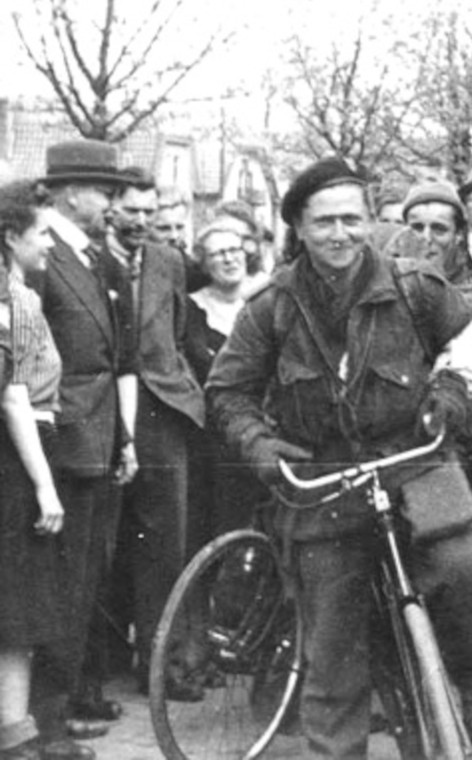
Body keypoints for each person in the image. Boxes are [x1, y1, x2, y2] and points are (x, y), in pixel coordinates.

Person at [206, 158, 472, 758]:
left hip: (415, 459)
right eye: (324, 222)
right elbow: (228, 392)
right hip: (326, 479)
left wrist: (450, 389)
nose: (340, 234)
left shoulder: (413, 286)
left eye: (352, 219)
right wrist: (262, 447)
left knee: (461, 567)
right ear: (298, 226)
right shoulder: (271, 307)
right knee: (334, 648)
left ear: (371, 222)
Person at [26, 141, 138, 748]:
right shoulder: (43, 257)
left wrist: (122, 437)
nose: (114, 204)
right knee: (60, 586)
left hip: (94, 439)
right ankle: (43, 726)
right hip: (60, 442)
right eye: (105, 192)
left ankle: (57, 715)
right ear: (71, 193)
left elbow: (111, 356)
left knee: (85, 581)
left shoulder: (91, 256)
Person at [99, 169, 205, 697]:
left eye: (149, 211)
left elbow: (178, 332)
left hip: (163, 410)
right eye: (131, 210)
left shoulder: (168, 262)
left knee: (166, 543)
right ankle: (100, 665)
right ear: (109, 208)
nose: (141, 221)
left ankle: (161, 667)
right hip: (102, 409)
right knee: (104, 540)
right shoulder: (92, 258)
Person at [0, 180, 88, 760]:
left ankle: (20, 729)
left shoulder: (18, 293)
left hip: (25, 442)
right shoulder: (12, 299)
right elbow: (13, 398)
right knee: (21, 603)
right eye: (39, 236)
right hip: (20, 451)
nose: (48, 247)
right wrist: (45, 485)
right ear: (11, 238)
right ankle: (15, 735)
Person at [184, 222, 262, 549]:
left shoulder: (265, 299)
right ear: (203, 263)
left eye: (234, 250)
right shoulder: (190, 309)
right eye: (218, 253)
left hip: (265, 427)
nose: (229, 259)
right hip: (214, 439)